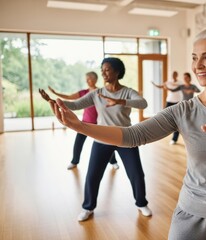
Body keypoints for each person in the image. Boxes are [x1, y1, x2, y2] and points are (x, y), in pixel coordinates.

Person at [41, 29, 206, 239]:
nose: (198, 65)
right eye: (195, 57)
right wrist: (80, 126)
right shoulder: (183, 110)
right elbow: (133, 135)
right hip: (191, 215)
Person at [40, 57, 152, 221]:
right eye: (102, 70)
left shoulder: (127, 91)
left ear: (117, 71)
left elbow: (143, 103)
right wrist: (53, 100)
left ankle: (141, 203)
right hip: (102, 139)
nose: (103, 73)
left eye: (107, 69)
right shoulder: (97, 93)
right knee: (93, 175)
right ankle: (88, 207)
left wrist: (120, 101)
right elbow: (76, 105)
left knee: (136, 174)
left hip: (126, 138)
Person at [48, 72, 119, 170]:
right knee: (78, 143)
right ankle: (74, 161)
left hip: (99, 124)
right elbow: (69, 97)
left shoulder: (101, 92)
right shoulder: (83, 92)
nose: (87, 81)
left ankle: (113, 161)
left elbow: (111, 104)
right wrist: (55, 93)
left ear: (95, 80)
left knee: (106, 143)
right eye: (86, 79)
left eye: (89, 79)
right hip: (84, 123)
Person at [152, 71, 182, 145]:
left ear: (177, 75)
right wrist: (154, 84)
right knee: (164, 115)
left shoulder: (180, 82)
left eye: (175, 74)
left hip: (177, 101)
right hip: (169, 100)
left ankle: (174, 139)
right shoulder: (168, 82)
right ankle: (160, 131)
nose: (174, 75)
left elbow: (178, 89)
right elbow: (161, 86)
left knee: (176, 120)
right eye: (173, 74)